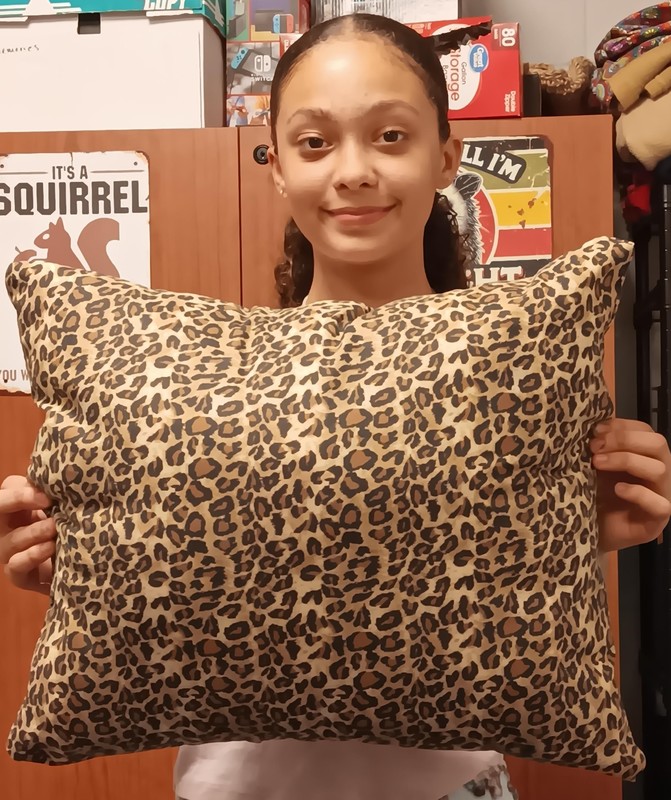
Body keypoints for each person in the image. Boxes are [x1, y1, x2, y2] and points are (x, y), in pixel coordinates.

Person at [2, 12, 671, 800]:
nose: (352, 171)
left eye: (391, 136)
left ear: (445, 156)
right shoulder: (190, 394)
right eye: (314, 142)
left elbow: (490, 607)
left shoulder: (512, 389)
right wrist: (74, 558)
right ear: (278, 167)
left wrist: (595, 523)